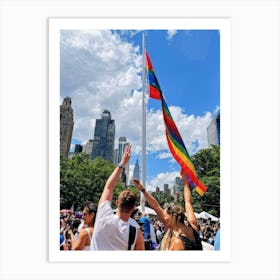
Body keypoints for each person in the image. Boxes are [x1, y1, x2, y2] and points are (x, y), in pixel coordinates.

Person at [132, 169, 202, 250]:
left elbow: (156, 206)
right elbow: (188, 202)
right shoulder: (193, 225)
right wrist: (185, 180)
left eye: (165, 216)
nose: (162, 218)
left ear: (173, 217)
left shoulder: (177, 242)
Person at [91, 144, 145, 250]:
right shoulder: (136, 230)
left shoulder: (103, 216)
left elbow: (108, 187)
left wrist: (122, 163)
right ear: (134, 207)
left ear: (117, 203)